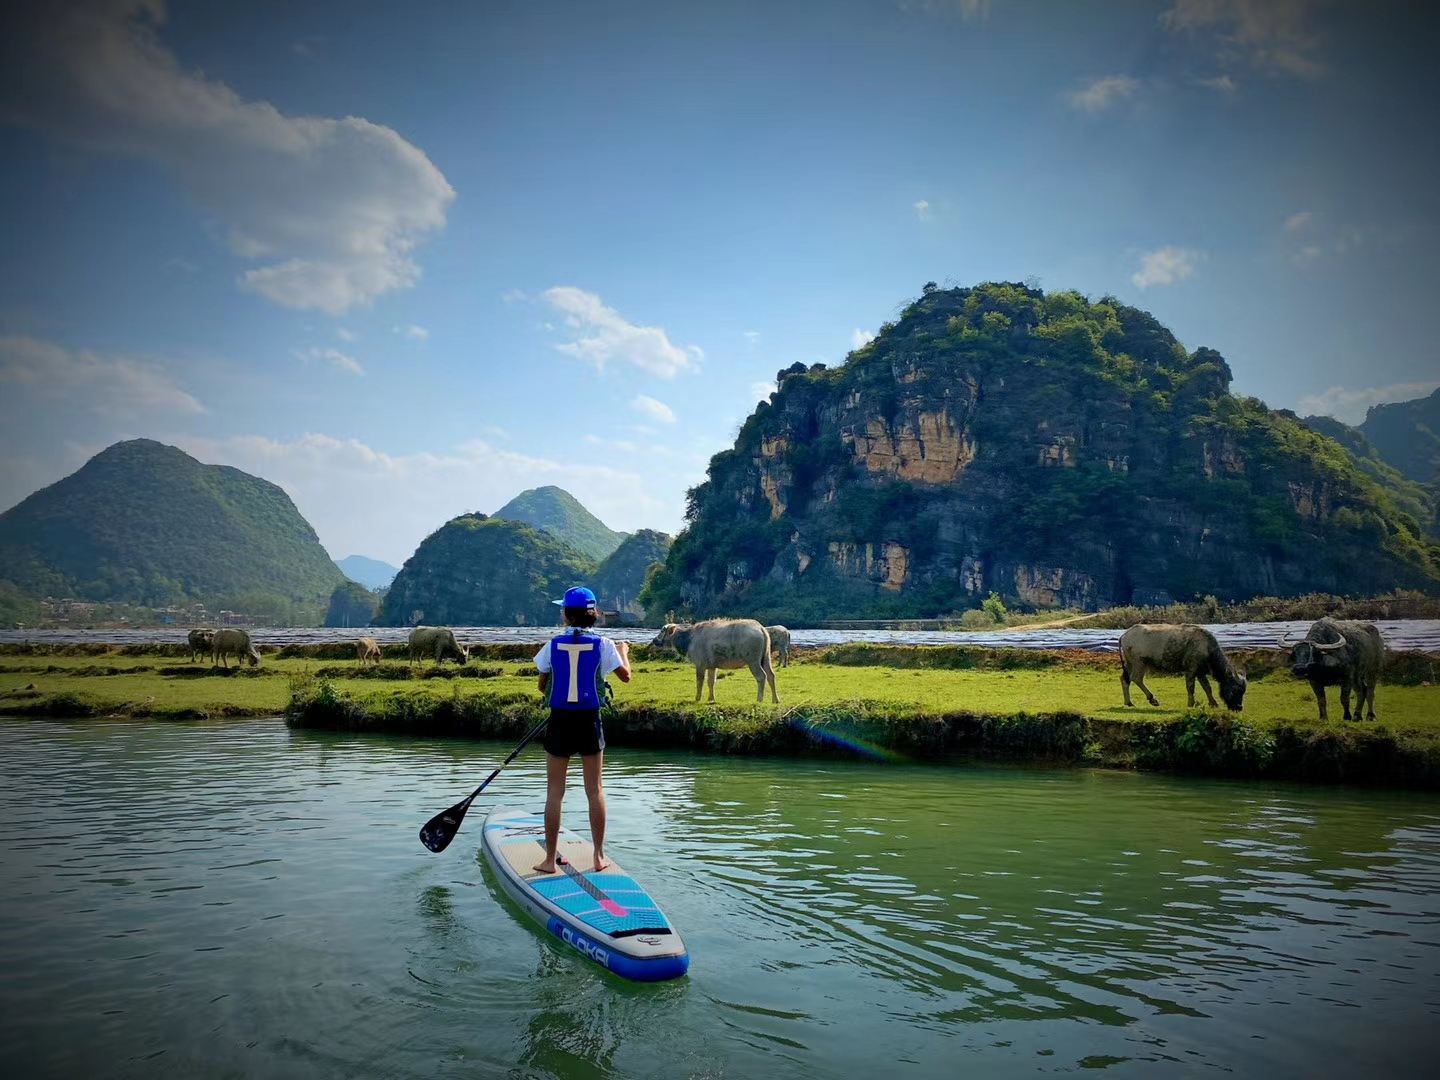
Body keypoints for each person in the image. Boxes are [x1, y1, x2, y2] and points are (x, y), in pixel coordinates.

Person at [531, 586, 631, 873]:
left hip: (560, 720)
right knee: (594, 789)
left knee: (554, 791)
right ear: (594, 614)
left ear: (565, 615)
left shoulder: (552, 644)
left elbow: (542, 684)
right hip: (589, 720)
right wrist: (624, 652)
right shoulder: (604, 644)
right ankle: (598, 857)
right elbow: (625, 677)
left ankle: (549, 860)